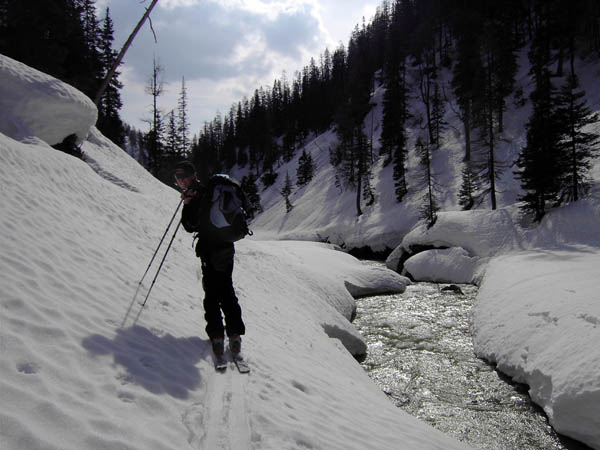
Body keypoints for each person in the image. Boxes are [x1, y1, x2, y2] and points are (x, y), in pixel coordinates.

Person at [173, 161, 245, 359]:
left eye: (183, 177)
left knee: (212, 294)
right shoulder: (212, 191)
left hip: (209, 251)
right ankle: (235, 334)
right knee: (227, 290)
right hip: (227, 248)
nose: (181, 181)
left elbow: (190, 225)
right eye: (178, 178)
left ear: (192, 175)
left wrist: (187, 205)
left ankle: (217, 335)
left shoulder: (196, 195)